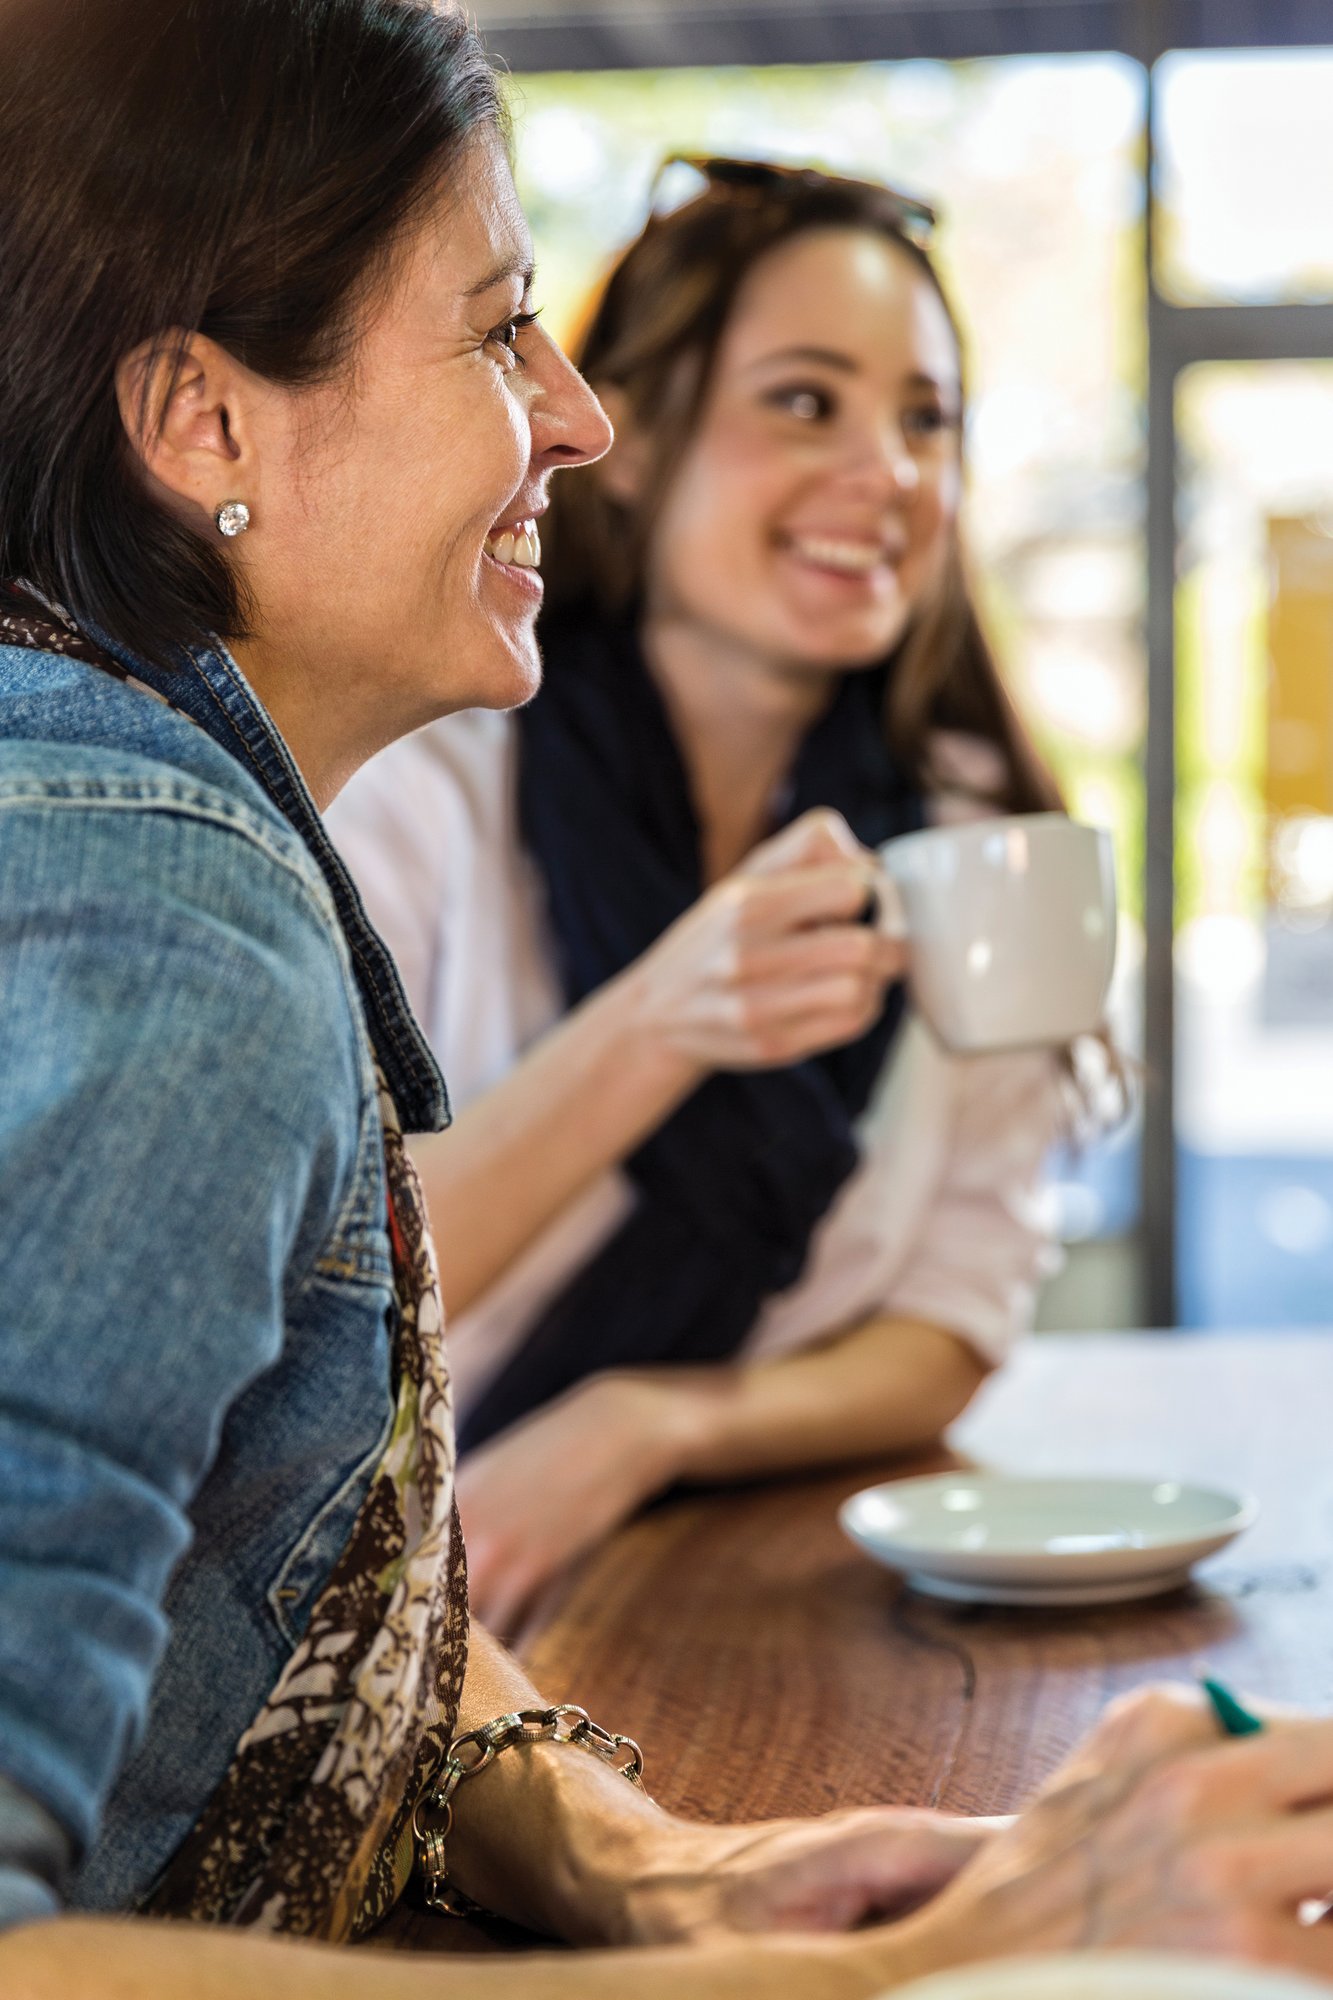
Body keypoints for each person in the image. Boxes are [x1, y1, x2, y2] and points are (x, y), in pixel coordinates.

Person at [3, 3, 1333, 1994]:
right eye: (494, 328)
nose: (576, 414)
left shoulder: (195, 834)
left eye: (926, 415)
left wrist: (642, 1863)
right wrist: (878, 1974)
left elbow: (281, 1555)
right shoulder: (172, 911)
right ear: (204, 425)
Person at [329, 155, 1082, 1631]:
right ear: (638, 429)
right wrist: (667, 1019)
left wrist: (645, 1423)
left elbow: (952, 1317)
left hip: (759, 1597)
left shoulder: (969, 844)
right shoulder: (425, 792)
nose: (891, 475)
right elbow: (315, 1302)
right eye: (805, 401)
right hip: (362, 1604)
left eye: (926, 419)